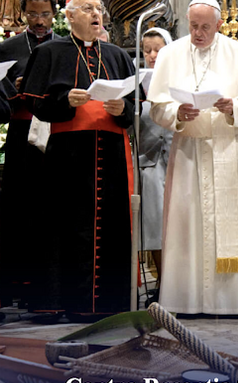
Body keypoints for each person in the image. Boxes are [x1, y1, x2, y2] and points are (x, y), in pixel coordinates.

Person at [147, 0, 238, 316]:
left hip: (232, 150)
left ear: (218, 25)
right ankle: (187, 299)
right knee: (188, 226)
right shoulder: (170, 54)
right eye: (193, 26)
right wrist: (178, 112)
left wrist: (235, 108)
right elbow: (157, 109)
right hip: (189, 153)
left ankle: (235, 300)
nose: (198, 33)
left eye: (205, 27)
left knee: (237, 226)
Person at [20, 0, 137, 316]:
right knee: (66, 225)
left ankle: (110, 303)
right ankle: (66, 302)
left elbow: (132, 108)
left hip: (111, 153)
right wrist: (65, 101)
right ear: (69, 16)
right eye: (87, 8)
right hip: (69, 155)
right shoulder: (49, 53)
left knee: (111, 225)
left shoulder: (117, 56)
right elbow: (36, 104)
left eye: (98, 8)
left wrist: (122, 109)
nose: (96, 14)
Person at [0, 0, 58, 309]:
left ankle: (47, 288)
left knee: (49, 206)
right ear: (23, 14)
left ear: (54, 15)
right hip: (21, 131)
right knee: (18, 206)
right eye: (33, 14)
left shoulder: (63, 46)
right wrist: (15, 87)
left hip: (54, 132)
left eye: (45, 14)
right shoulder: (9, 47)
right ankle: (17, 285)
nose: (39, 20)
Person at [138, 27, 173, 306]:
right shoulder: (137, 82)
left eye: (157, 49)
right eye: (147, 50)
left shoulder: (179, 78)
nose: (151, 55)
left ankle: (175, 283)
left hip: (176, 160)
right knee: (155, 230)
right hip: (149, 163)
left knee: (177, 227)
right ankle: (161, 282)